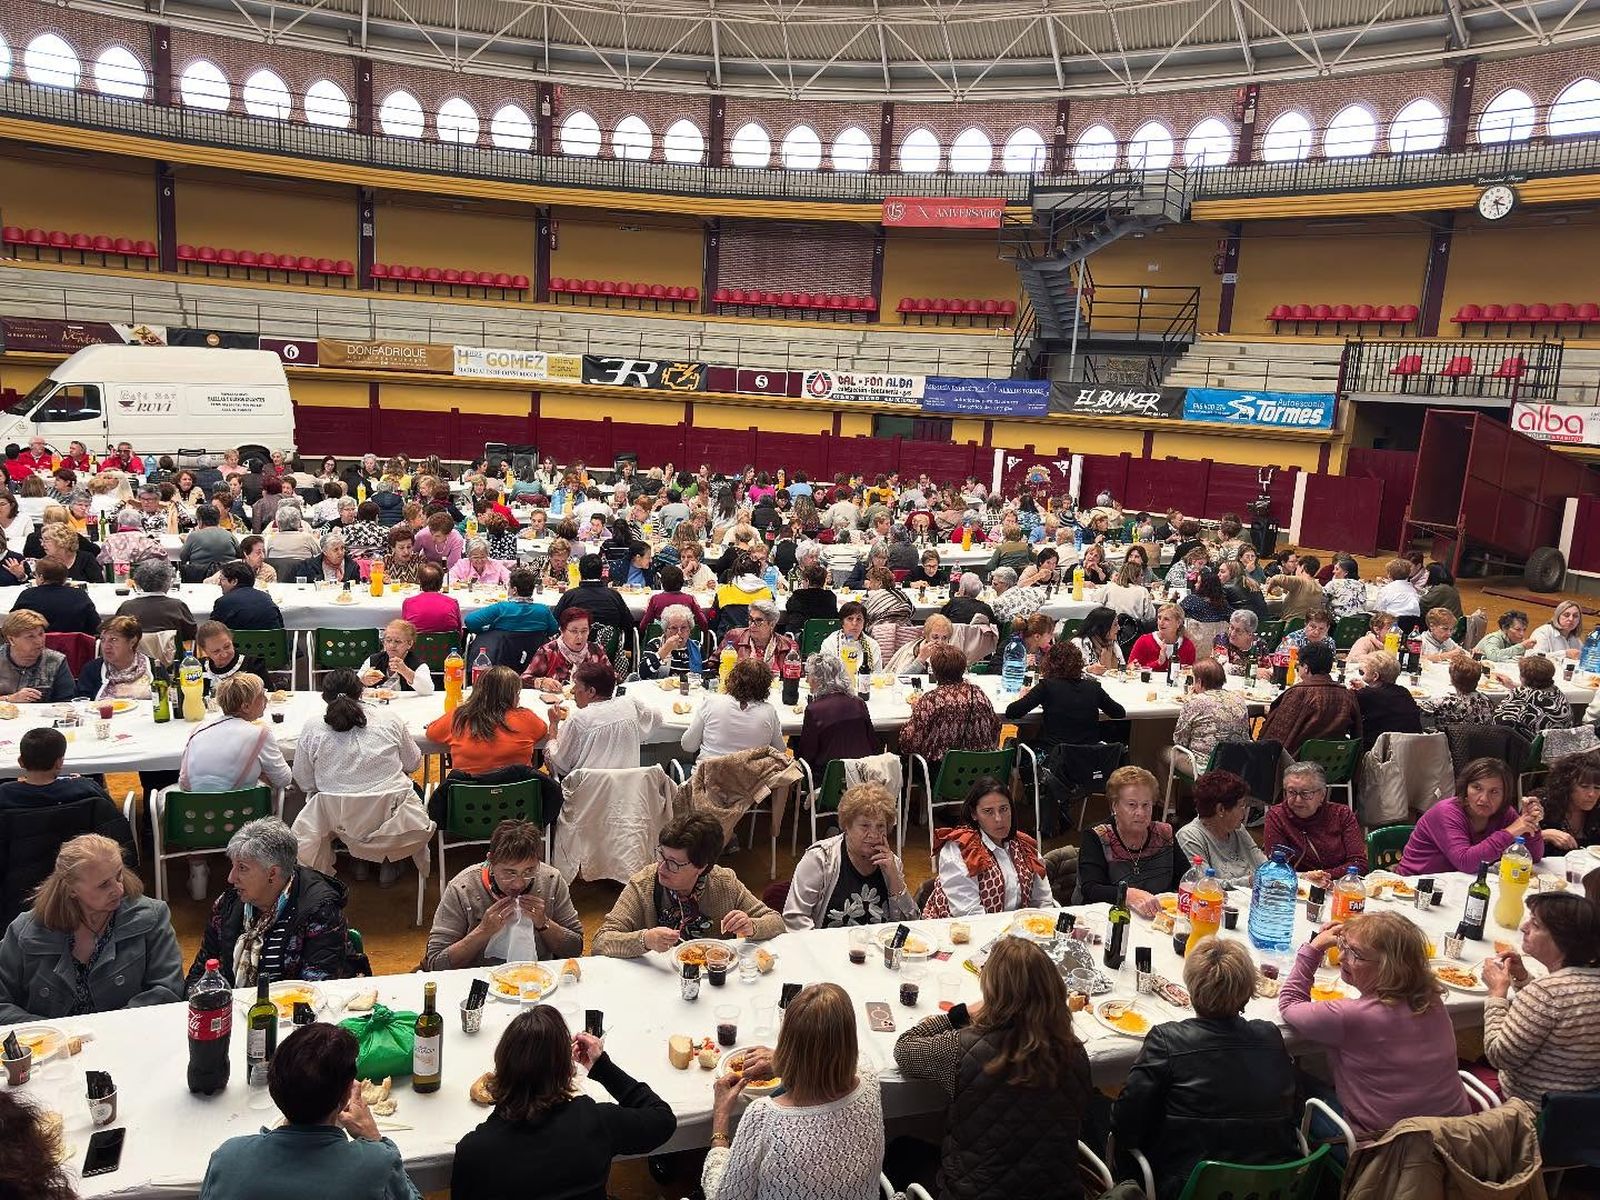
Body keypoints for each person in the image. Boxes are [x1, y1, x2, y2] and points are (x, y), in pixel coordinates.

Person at [896, 936, 1094, 1200]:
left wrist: (961, 1013)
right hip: (1057, 1193)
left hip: (974, 1192)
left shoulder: (963, 1049)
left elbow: (904, 1048)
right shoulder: (1076, 1052)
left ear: (992, 993)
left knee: (902, 1149)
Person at [1112, 936, 1299, 1200]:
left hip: (1188, 1187)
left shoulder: (1166, 1041)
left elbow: (1124, 1126)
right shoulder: (1270, 1036)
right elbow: (1292, 1112)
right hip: (1271, 1188)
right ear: (1247, 992)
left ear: (1191, 987)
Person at [1280, 912, 1471, 1138]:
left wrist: (1313, 949)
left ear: (1390, 967)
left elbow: (1289, 1002)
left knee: (1285, 1075)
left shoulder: (1352, 1016)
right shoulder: (1430, 996)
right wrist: (1356, 938)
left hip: (1384, 1153)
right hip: (1457, 1139)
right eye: (1343, 946)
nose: (1342, 957)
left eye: (1356, 955)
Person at [451, 1006, 674, 1200]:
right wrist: (602, 1067)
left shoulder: (474, 1152)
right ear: (567, 1072)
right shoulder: (594, 1122)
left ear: (500, 1070)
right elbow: (663, 1119)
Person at [198, 1022, 423, 1200]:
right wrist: (374, 1138)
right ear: (347, 1095)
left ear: (274, 1086)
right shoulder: (377, 1165)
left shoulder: (228, 1159)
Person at [703, 981, 883, 1200]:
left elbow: (723, 1197)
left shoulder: (764, 1118)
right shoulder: (870, 1078)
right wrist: (784, 1062)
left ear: (786, 1039)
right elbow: (855, 1057)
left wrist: (720, 1118)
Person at [0, 833, 183, 1022]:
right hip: (51, 1046)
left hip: (129, 1038)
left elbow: (167, 990)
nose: (119, 889)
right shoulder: (24, 932)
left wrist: (105, 1029)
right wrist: (54, 1035)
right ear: (71, 890)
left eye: (119, 875)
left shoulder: (152, 917)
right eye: (104, 885)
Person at [185, 816, 353, 988]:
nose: (231, 877)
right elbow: (201, 972)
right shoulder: (227, 903)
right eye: (233, 866)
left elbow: (315, 990)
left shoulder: (320, 911)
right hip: (236, 1009)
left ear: (272, 873)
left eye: (242, 868)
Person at [592, 812, 783, 957]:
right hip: (658, 981)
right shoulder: (643, 885)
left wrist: (751, 926)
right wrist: (645, 940)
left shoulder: (724, 883)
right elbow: (600, 942)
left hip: (713, 980)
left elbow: (776, 922)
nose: (662, 868)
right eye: (661, 855)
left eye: (673, 863)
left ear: (700, 867)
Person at [1481, 893, 1600, 1104]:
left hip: (1524, 1110)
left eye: (1535, 924)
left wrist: (1497, 994)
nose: (1523, 927)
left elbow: (1499, 1055)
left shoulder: (1545, 994)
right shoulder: (1583, 983)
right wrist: (1522, 978)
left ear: (1561, 938)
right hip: (1579, 1111)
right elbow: (1554, 1011)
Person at [424, 819, 582, 970]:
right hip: (478, 980)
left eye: (529, 871)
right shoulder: (462, 889)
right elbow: (435, 963)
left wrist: (544, 923)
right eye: (509, 873)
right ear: (490, 861)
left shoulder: (551, 880)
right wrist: (483, 931)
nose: (519, 884)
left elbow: (575, 948)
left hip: (537, 977)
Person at [784, 782, 917, 931]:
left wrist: (894, 878)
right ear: (847, 825)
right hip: (827, 949)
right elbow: (795, 919)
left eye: (880, 826)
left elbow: (909, 926)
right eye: (865, 826)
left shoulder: (892, 863)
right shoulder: (820, 859)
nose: (873, 835)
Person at [921, 777, 1052, 918]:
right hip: (958, 932)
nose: (998, 819)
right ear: (974, 814)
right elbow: (970, 916)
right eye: (988, 811)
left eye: (1004, 809)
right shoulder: (960, 850)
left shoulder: (1025, 846)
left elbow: (1043, 901)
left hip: (1015, 932)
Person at [1397, 757, 1545, 875]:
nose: (1484, 799)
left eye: (1494, 792)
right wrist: (1511, 831)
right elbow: (1466, 862)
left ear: (1505, 795)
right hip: (1414, 886)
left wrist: (1531, 822)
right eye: (1477, 788)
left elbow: (1533, 856)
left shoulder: (1504, 812)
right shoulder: (1446, 812)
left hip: (1457, 887)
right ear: (1465, 788)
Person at [1075, 766, 1182, 914]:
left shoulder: (1164, 834)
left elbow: (1186, 882)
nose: (1141, 812)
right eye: (1132, 805)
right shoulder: (1097, 836)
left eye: (1146, 805)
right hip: (1110, 918)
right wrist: (1127, 894)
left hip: (1158, 920)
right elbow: (1091, 889)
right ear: (1114, 806)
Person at [543, 660, 661, 777]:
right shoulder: (630, 705)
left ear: (591, 691)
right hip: (627, 790)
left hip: (587, 793)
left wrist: (553, 726)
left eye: (576, 686)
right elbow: (656, 717)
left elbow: (558, 765)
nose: (573, 691)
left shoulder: (579, 720)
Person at [425, 665, 546, 777]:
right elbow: (543, 731)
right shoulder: (527, 719)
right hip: (519, 797)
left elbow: (431, 733)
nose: (518, 697)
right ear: (511, 695)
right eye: (516, 693)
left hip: (468, 797)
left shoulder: (458, 717)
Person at [180, 673, 292, 793]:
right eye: (262, 695)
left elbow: (185, 781)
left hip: (192, 807)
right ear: (246, 707)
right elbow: (283, 779)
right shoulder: (259, 733)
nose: (266, 699)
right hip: (240, 808)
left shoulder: (198, 730)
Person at [897, 644, 1001, 774]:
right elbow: (995, 729)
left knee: (900, 758)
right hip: (981, 773)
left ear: (934, 671)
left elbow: (909, 743)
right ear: (963, 669)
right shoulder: (978, 693)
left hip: (943, 775)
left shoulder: (931, 700)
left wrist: (917, 711)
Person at [1004, 640, 1126, 748]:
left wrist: (1024, 697)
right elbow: (1119, 712)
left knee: (1018, 741)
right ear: (1079, 664)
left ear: (1049, 664)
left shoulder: (1046, 687)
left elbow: (1012, 712)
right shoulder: (1093, 688)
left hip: (1056, 760)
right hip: (1089, 759)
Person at [1261, 761, 1367, 882]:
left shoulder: (1342, 814)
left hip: (1340, 885)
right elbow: (1277, 868)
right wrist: (1306, 878)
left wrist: (1323, 876)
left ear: (1322, 795)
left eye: (1306, 793)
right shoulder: (1277, 816)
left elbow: (1359, 864)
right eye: (1291, 792)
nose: (1298, 800)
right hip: (1295, 887)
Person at [1257, 641, 1361, 755]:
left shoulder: (1299, 693)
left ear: (1306, 668)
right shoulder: (1347, 695)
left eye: (1299, 665)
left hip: (1296, 765)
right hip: (1335, 765)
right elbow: (1357, 737)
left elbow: (1273, 737)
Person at [1162, 658, 1250, 786]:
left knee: (1163, 752)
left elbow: (1180, 741)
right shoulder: (1239, 699)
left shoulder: (1195, 702)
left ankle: (1168, 803)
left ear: (1199, 681)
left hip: (1206, 770)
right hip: (1239, 767)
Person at [682, 656, 785, 764]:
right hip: (751, 779)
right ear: (766, 686)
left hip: (710, 778)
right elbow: (780, 750)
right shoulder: (769, 711)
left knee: (681, 764)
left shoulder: (711, 702)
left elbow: (688, 746)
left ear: (732, 679)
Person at [1175, 770, 1265, 889]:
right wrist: (1248, 882)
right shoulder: (1189, 836)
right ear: (1221, 809)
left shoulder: (1237, 829)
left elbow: (1261, 863)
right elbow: (1204, 884)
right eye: (1241, 805)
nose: (1245, 810)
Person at [792, 653, 877, 779]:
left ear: (817, 679)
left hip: (827, 779)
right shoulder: (859, 703)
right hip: (861, 775)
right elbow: (873, 744)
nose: (807, 680)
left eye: (808, 675)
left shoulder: (814, 710)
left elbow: (806, 754)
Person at [523, 606, 612, 691]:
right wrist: (542, 682)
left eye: (584, 631)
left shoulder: (596, 651)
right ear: (562, 630)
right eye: (574, 631)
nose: (580, 637)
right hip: (556, 704)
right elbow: (523, 680)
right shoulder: (548, 651)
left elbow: (612, 678)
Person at [0, 607, 77, 702]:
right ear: (11, 640)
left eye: (41, 634)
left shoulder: (56, 661)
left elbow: (68, 701)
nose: (39, 641)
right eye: (30, 636)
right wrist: (9, 699)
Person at [116, 557, 197, 646]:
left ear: (138, 583)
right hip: (171, 657)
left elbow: (116, 632)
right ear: (168, 582)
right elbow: (191, 633)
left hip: (133, 656)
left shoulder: (127, 607)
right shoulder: (177, 606)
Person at [1352, 649, 1423, 748]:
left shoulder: (1366, 695)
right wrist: (1366, 688)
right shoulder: (1404, 692)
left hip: (1380, 755)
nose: (1361, 677)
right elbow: (1381, 695)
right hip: (1411, 753)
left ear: (1375, 676)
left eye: (1362, 673)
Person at [1494, 653, 1573, 742]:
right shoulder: (1557, 693)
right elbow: (1536, 692)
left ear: (1522, 678)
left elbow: (1497, 723)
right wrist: (1513, 685)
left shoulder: (1520, 697)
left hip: (1531, 750)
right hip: (1559, 746)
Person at [12, 557, 100, 635]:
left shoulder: (28, 595)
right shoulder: (80, 595)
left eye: (35, 575)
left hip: (36, 647)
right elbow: (95, 626)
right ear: (65, 578)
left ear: (41, 578)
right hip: (75, 649)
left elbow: (12, 624)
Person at [1533, 750, 1600, 852]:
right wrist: (1544, 835)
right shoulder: (1542, 805)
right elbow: (1514, 840)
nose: (1592, 794)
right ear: (1567, 785)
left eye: (1597, 788)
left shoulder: (1597, 811)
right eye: (1584, 786)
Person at [74, 615, 154, 701]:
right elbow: (82, 703)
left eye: (113, 639)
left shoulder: (154, 667)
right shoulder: (92, 670)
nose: (106, 646)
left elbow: (166, 700)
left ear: (132, 642)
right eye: (103, 639)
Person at [554, 553, 635, 636]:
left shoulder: (570, 596)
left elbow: (555, 623)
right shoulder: (614, 596)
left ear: (580, 571)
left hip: (575, 646)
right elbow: (628, 624)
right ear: (601, 572)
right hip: (608, 646)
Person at [358, 619, 434, 695]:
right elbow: (353, 685)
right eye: (388, 640)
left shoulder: (418, 664)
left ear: (410, 644)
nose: (392, 646)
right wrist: (363, 681)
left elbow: (428, 690)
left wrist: (405, 671)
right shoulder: (373, 660)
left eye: (397, 641)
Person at [720, 599, 797, 666]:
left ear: (772, 624)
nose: (752, 625)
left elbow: (795, 674)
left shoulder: (788, 645)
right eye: (751, 619)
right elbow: (713, 666)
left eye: (758, 621)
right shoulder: (734, 636)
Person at [210, 560, 285, 629]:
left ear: (234, 581)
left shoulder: (223, 602)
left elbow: (211, 631)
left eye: (222, 579)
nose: (219, 583)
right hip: (272, 642)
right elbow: (281, 627)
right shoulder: (266, 598)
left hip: (237, 642)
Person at [399, 561, 462, 636]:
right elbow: (459, 632)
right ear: (441, 582)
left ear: (420, 582)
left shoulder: (408, 603)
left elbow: (405, 631)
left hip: (416, 646)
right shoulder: (452, 603)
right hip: (447, 646)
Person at [1128, 603, 1195, 671]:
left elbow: (1190, 674)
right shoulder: (1144, 641)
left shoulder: (1187, 646)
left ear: (1178, 623)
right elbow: (1130, 669)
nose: (1161, 622)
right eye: (1159, 618)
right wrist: (1158, 663)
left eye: (1166, 619)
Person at [778, 561, 838, 636]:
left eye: (803, 580)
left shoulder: (798, 595)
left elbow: (788, 608)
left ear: (807, 581)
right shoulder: (830, 596)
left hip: (800, 636)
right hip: (825, 636)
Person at [297, 530, 362, 584]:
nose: (340, 552)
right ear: (325, 552)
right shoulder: (309, 566)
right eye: (335, 549)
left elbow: (356, 587)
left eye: (342, 548)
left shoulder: (352, 566)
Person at [1320, 556, 1366, 621]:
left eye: (1337, 569)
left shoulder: (1334, 583)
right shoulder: (1361, 585)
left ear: (1346, 573)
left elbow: (1320, 600)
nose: (1333, 571)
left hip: (1339, 623)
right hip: (1359, 622)